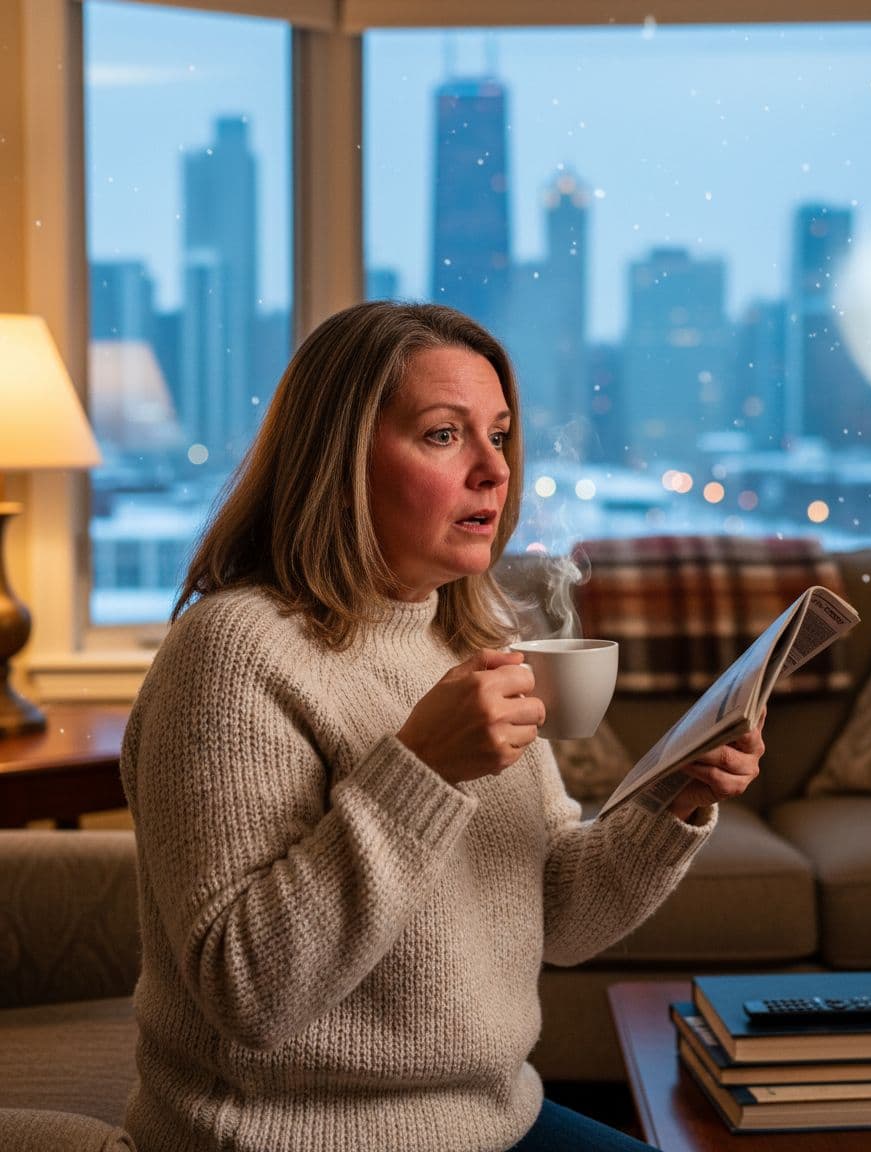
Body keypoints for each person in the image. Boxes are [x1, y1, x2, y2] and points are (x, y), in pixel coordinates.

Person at [120, 301, 764, 1152]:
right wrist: (421, 770)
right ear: (340, 458)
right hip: (292, 1137)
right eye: (443, 435)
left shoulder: (468, 638)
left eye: (499, 435)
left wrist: (668, 803)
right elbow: (249, 991)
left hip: (491, 1120)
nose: (494, 470)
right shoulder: (234, 652)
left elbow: (560, 921)